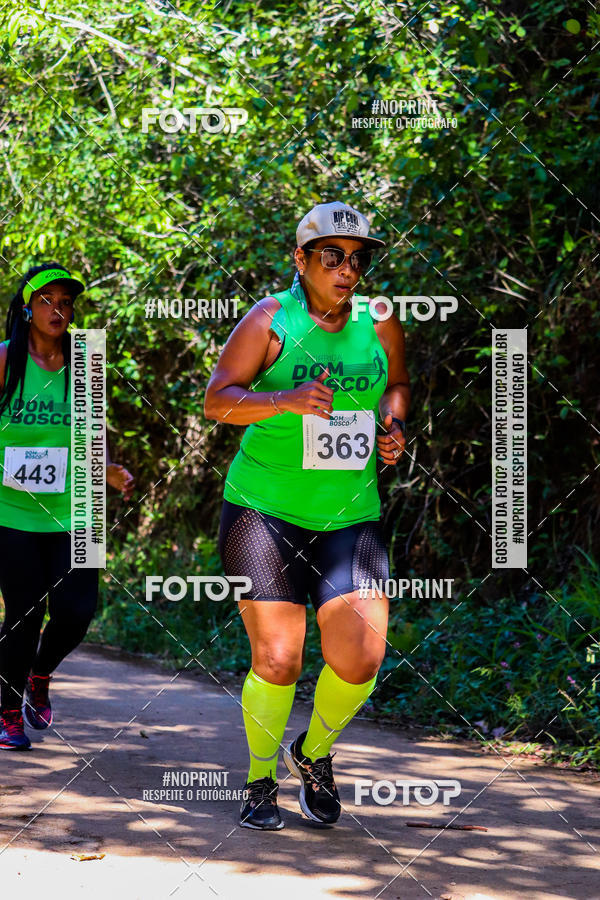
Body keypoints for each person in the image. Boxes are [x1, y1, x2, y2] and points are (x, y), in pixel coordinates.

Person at [204, 201, 410, 830]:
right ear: (301, 258)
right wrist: (285, 399)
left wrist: (393, 424)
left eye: (357, 258)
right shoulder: (271, 319)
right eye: (332, 256)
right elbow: (217, 401)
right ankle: (259, 779)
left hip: (350, 514)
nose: (347, 269)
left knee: (362, 656)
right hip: (263, 511)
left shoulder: (380, 320)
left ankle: (313, 753)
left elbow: (397, 384)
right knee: (278, 659)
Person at [0, 262, 134, 750]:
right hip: (12, 512)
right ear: (26, 309)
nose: (58, 310)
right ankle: (8, 711)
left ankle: (40, 673)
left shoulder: (86, 359)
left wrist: (108, 470)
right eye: (46, 301)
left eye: (66, 302)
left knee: (78, 611)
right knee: (24, 613)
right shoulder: (5, 359)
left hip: (80, 506)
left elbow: (94, 431)